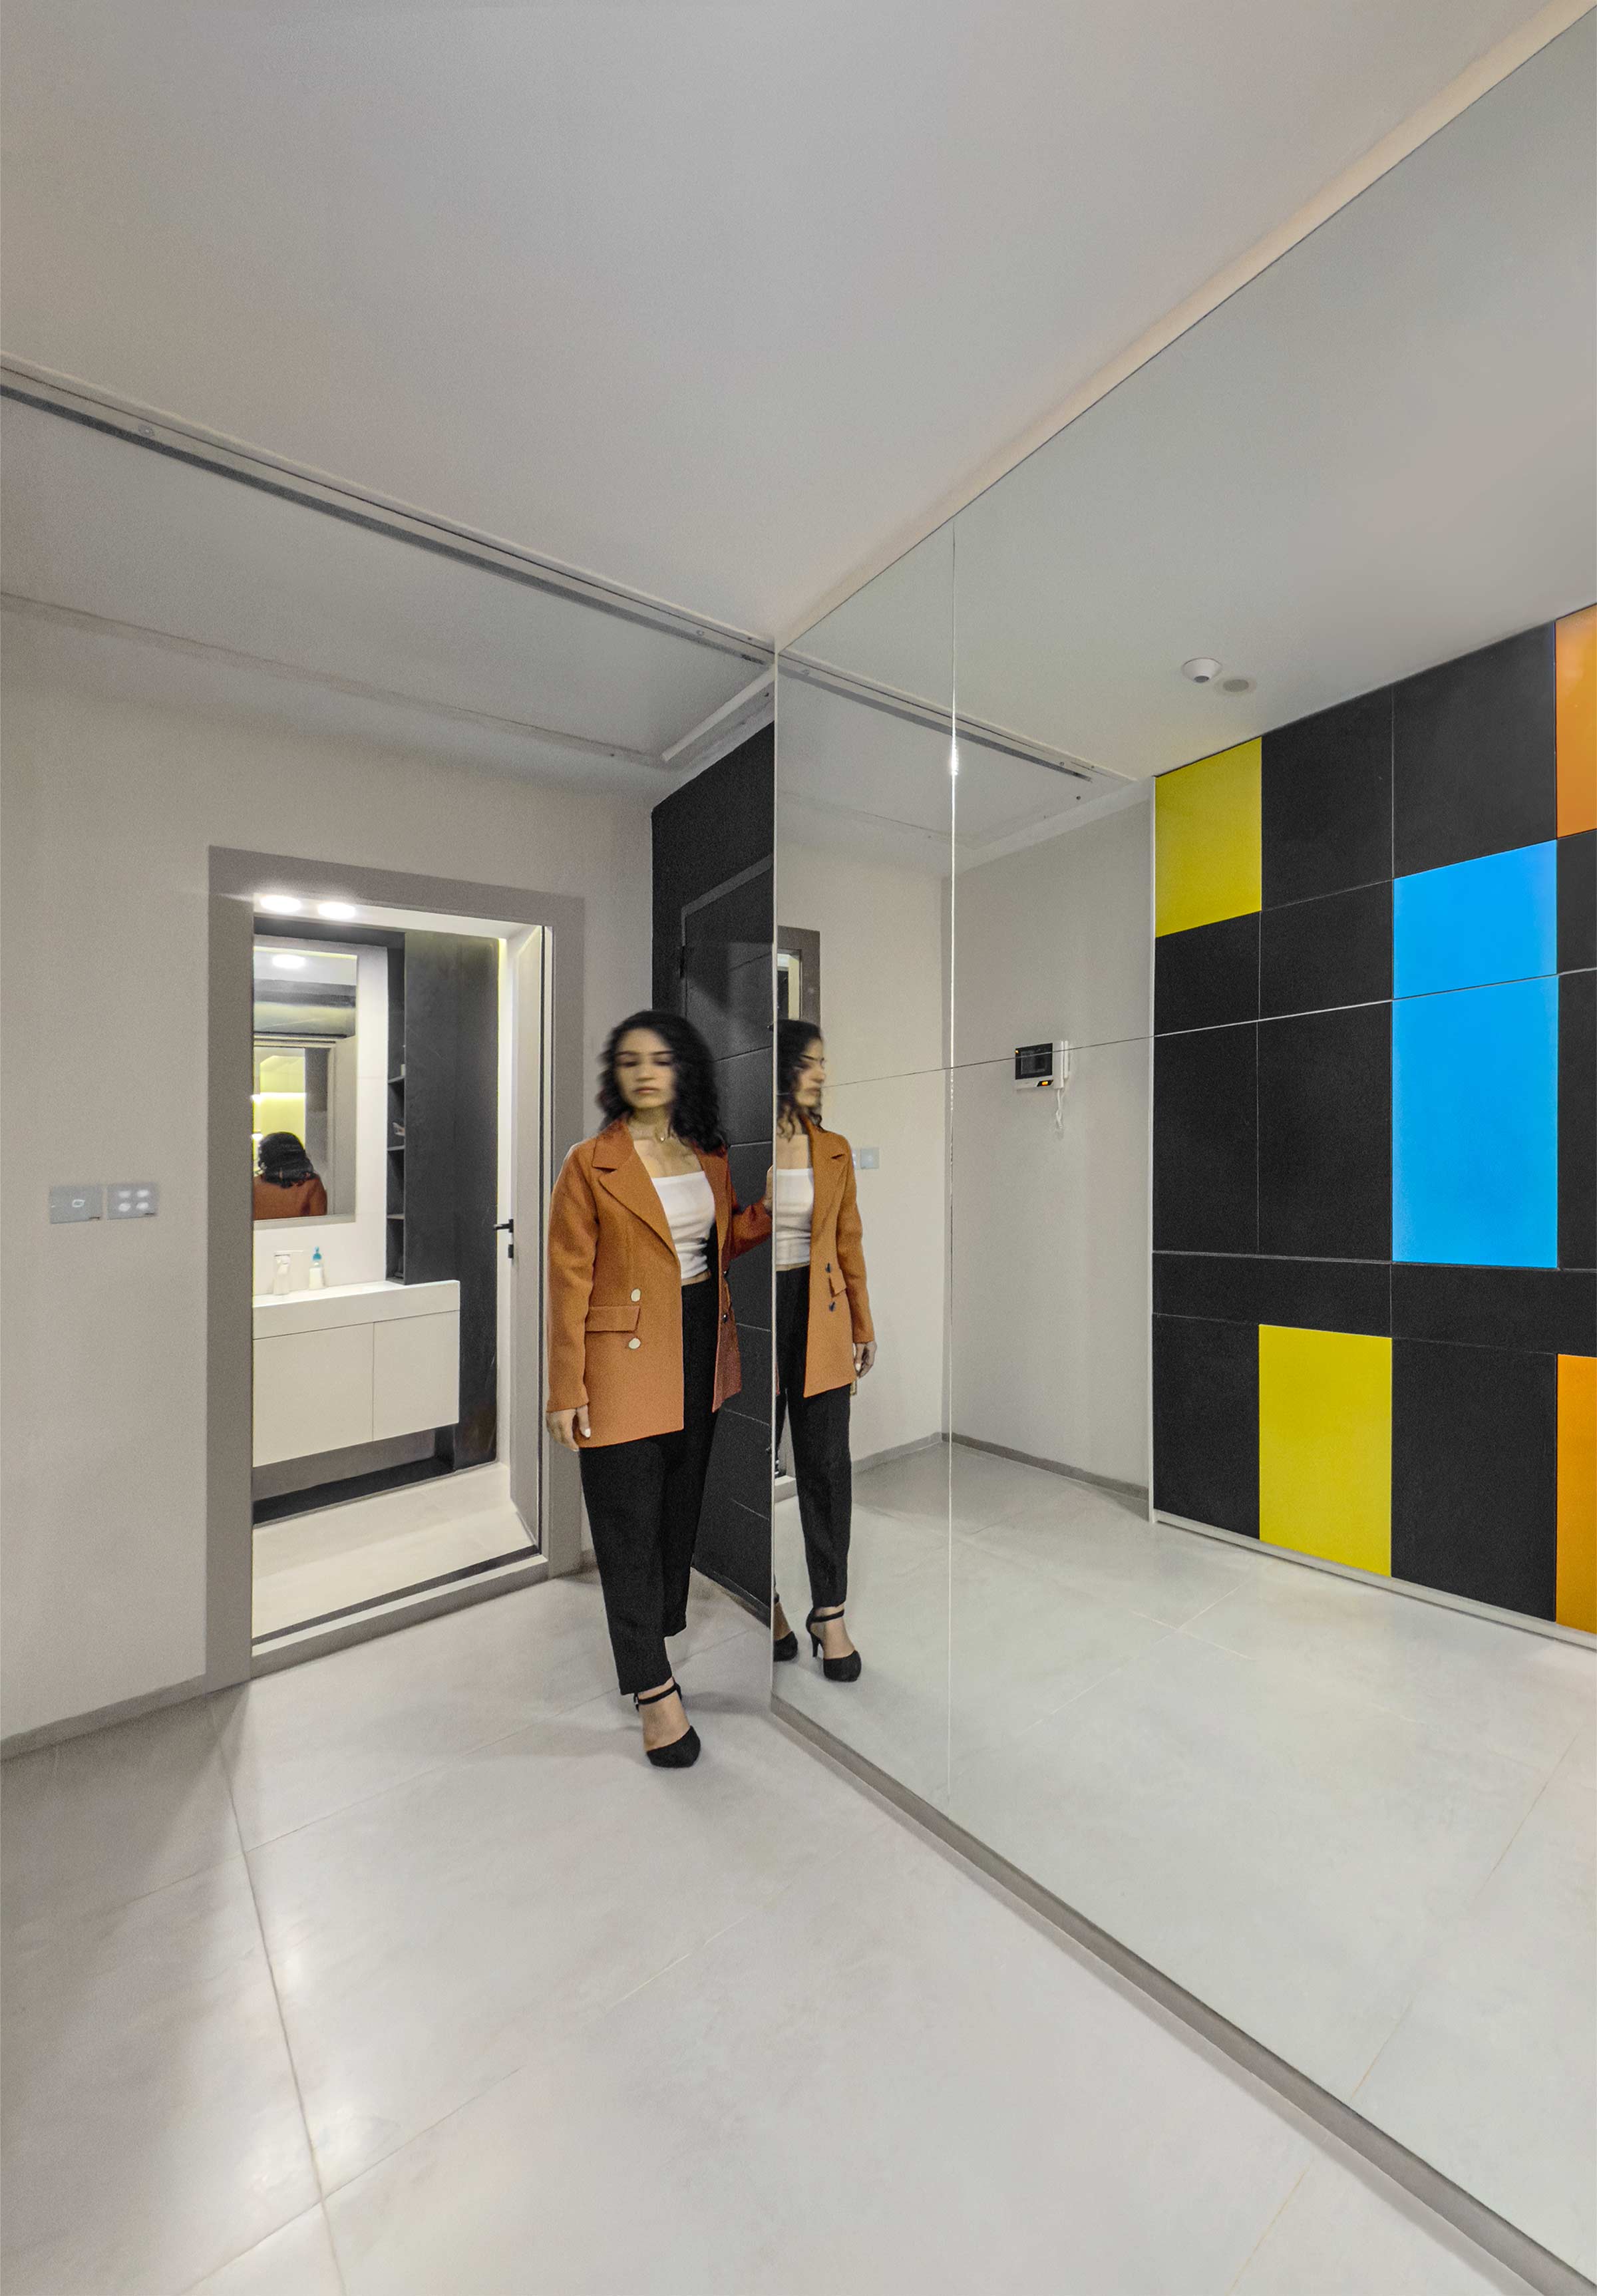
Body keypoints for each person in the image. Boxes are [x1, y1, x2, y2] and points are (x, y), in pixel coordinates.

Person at [546, 1011, 770, 1768]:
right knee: (626, 1524)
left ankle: (656, 1631)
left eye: (662, 1059)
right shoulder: (589, 1162)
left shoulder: (707, 1156)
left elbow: (719, 1243)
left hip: (701, 1343)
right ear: (616, 1074)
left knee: (678, 1507)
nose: (646, 1072)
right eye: (632, 1060)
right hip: (620, 1356)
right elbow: (568, 1278)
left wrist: (769, 1213)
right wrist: (564, 1386)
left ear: (684, 1072)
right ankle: (653, 1691)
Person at [769, 1020, 874, 1682]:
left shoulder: (833, 1149)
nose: (822, 1073)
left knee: (827, 1468)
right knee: (747, 1470)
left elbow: (848, 1243)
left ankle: (828, 1613)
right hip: (758, 1315)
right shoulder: (738, 1145)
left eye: (824, 1063)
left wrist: (863, 1324)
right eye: (811, 1062)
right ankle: (770, 1601)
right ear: (781, 1068)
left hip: (824, 1311)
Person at [253, 1131, 328, 1220]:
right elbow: (318, 1221)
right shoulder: (311, 1184)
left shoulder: (253, 1185)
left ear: (265, 1158)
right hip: (300, 1233)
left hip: (259, 1233)